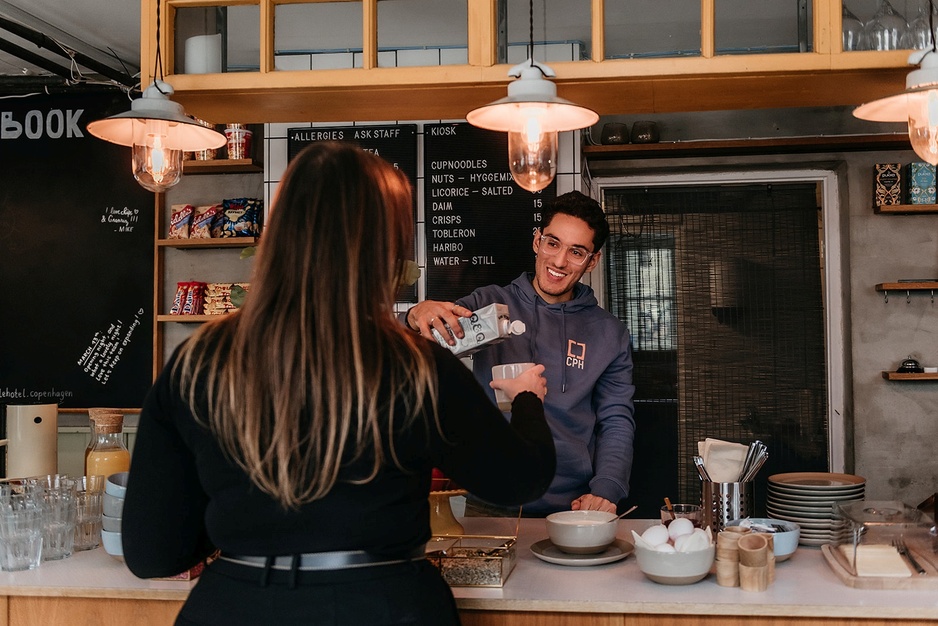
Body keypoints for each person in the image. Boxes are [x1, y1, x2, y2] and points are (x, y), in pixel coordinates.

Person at [122, 142, 555, 626]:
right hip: (385, 606)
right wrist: (526, 402)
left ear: (277, 232)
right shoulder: (413, 367)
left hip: (235, 606)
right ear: (385, 246)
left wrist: (241, 520)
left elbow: (153, 553)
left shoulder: (198, 362)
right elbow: (519, 479)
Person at [405, 191, 634, 516]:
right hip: (491, 501)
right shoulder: (489, 302)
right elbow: (426, 334)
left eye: (576, 252)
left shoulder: (610, 333)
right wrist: (416, 313)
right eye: (552, 243)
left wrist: (607, 488)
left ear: (592, 260)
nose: (558, 261)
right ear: (536, 241)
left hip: (572, 506)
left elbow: (616, 420)